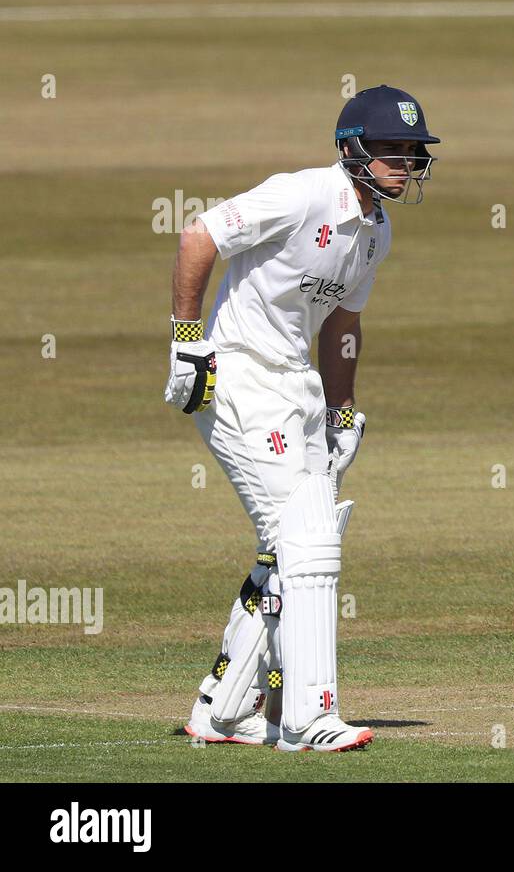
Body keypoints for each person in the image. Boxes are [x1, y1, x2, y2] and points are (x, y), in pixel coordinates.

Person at [164, 85, 438, 749]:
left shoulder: (376, 232)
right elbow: (199, 234)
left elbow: (342, 325)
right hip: (237, 377)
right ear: (352, 149)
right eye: (392, 150)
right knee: (306, 538)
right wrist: (186, 340)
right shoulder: (301, 194)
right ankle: (309, 717)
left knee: (290, 547)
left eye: (413, 152)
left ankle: (225, 711)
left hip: (299, 394)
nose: (406, 163)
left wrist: (342, 411)